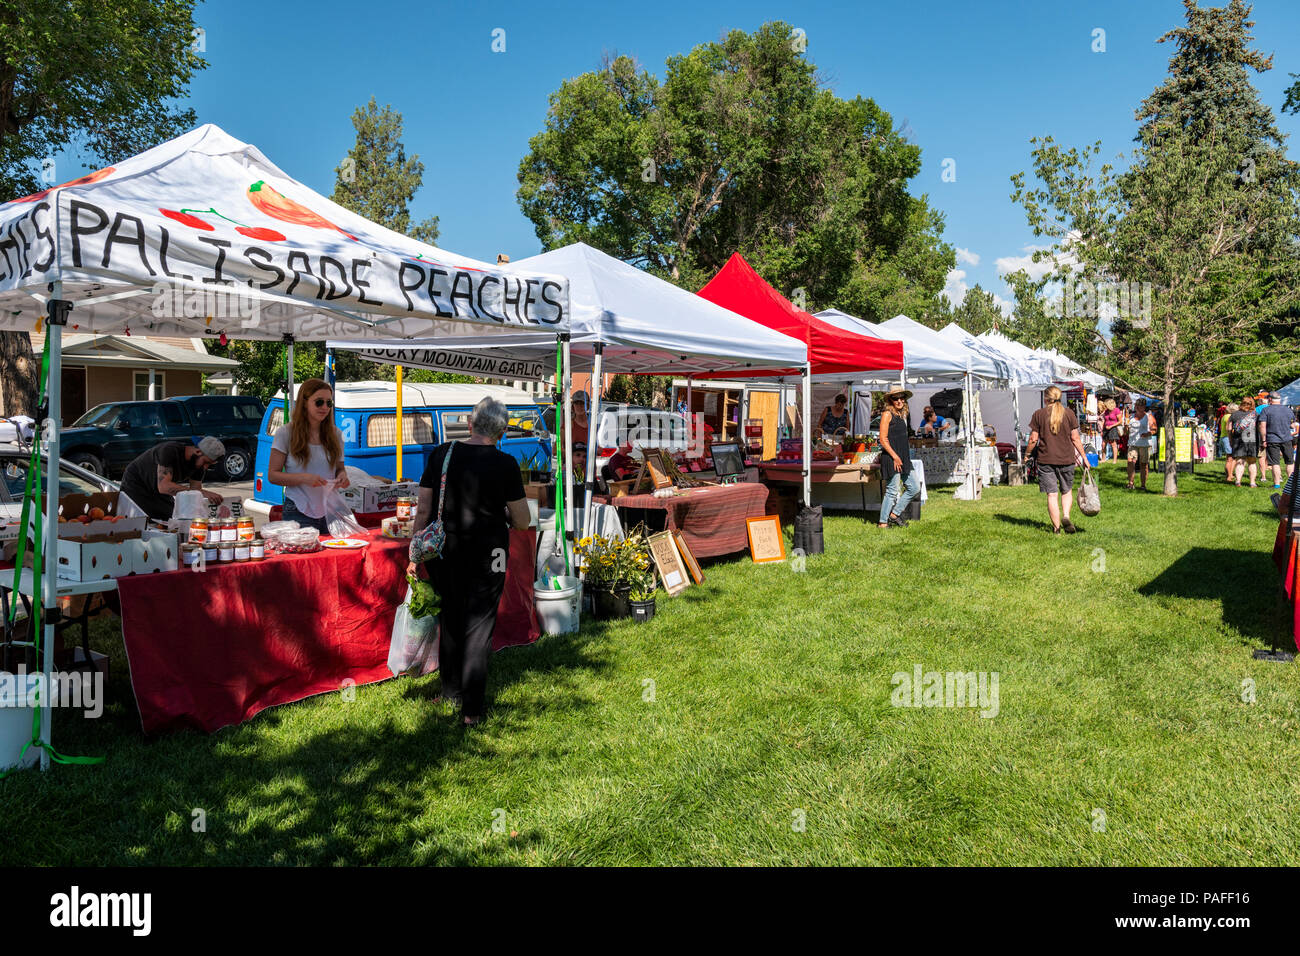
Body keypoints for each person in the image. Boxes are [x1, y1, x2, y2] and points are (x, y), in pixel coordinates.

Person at [408, 397, 531, 727]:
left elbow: (422, 509)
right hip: (489, 555)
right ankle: (471, 711)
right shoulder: (505, 464)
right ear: (502, 430)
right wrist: (500, 511)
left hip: (445, 551)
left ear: (470, 422)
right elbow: (521, 520)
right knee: (479, 626)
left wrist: (413, 550)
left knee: (450, 617)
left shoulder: (441, 454)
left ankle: (450, 691)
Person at [268, 378, 350, 534]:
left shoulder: (336, 434)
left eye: (329, 403)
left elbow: (340, 468)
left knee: (333, 555)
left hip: (330, 509)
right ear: (304, 402)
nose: (325, 407)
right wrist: (304, 478)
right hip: (298, 509)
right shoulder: (285, 433)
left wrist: (343, 476)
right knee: (302, 556)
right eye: (319, 402)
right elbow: (272, 475)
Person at [1027, 385, 1088, 534]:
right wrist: (1084, 457)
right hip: (1067, 458)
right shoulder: (1069, 413)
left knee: (1052, 494)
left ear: (1046, 398)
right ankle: (1066, 516)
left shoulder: (1038, 414)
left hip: (1046, 459)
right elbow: (1075, 438)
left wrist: (1027, 455)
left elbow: (1033, 439)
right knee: (1066, 491)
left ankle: (1056, 528)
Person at [118, 436, 226, 520]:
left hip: (157, 490)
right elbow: (164, 487)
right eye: (206, 462)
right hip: (136, 485)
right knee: (145, 520)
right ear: (198, 452)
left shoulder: (199, 465)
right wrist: (203, 493)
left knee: (172, 519)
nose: (205, 467)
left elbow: (196, 492)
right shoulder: (169, 451)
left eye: (210, 465)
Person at [877, 387, 920, 529]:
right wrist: (895, 457)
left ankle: (894, 514)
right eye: (896, 398)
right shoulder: (887, 414)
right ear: (890, 400)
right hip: (892, 457)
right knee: (892, 490)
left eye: (902, 398)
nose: (899, 400)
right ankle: (883, 523)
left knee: (914, 487)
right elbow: (883, 439)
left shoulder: (902, 414)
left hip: (903, 457)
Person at [1257, 391, 1296, 490]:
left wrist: (1263, 439)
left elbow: (1262, 426)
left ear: (1270, 399)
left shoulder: (1266, 410)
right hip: (1287, 438)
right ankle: (1292, 485)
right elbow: (1293, 425)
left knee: (1275, 463)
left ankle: (1277, 484)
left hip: (1272, 439)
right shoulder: (1288, 410)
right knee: (1290, 462)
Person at [1125, 398, 1157, 491]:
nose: (1140, 408)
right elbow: (1126, 433)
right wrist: (1126, 427)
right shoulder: (1131, 417)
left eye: (1142, 406)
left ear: (1144, 407)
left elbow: (1154, 429)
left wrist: (1147, 434)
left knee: (1144, 464)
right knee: (1130, 462)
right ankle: (1131, 483)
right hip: (1133, 443)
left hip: (1144, 443)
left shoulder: (1148, 416)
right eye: (1138, 406)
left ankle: (1143, 485)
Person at [1229, 395, 1259, 488]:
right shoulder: (1256, 415)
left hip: (1238, 440)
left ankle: (1238, 481)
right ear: (1252, 404)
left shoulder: (1234, 414)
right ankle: (1252, 483)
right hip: (1252, 440)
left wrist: (1231, 440)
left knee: (1240, 461)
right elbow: (1259, 427)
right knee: (1252, 462)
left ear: (1241, 403)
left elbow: (1229, 429)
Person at [1220, 403, 1237, 482]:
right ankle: (1229, 476)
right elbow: (1229, 428)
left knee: (1231, 458)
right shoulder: (1229, 417)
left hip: (1224, 437)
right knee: (1230, 458)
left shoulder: (1224, 416)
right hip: (1228, 437)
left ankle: (1230, 474)